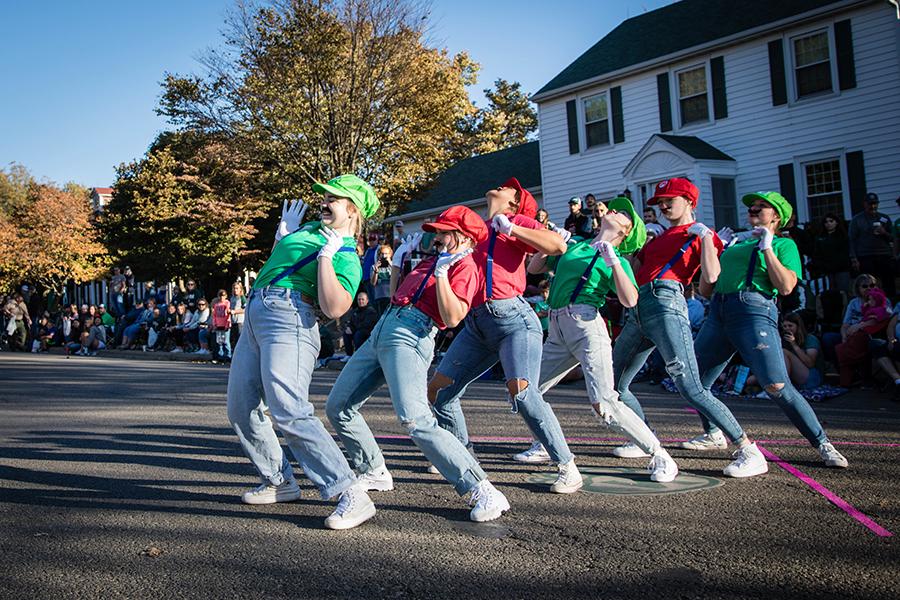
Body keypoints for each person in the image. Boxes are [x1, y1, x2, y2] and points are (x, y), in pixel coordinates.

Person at [327, 206, 515, 522]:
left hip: (411, 334)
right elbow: (398, 291)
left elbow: (453, 316)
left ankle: (482, 489)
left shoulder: (465, 267)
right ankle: (372, 469)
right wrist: (401, 259)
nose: (437, 237)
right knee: (338, 406)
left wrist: (442, 274)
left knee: (416, 419)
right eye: (437, 232)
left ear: (463, 237)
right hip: (383, 328)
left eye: (443, 232)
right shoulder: (434, 259)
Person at [227, 174, 380, 530]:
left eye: (334, 198)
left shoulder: (346, 256)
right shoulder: (307, 230)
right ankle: (279, 481)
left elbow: (335, 307)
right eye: (323, 196)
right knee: (240, 406)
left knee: (289, 409)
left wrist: (327, 257)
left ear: (353, 209)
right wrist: (284, 238)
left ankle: (351, 492)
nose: (323, 202)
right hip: (256, 313)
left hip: (290, 319)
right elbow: (277, 270)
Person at [595, 178, 768, 477]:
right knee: (613, 383)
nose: (662, 206)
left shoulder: (701, 234)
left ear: (689, 201)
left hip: (666, 303)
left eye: (668, 200)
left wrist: (706, 239)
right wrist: (632, 250)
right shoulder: (658, 237)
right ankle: (643, 437)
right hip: (638, 307)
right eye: (659, 202)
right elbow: (634, 275)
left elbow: (710, 278)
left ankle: (748, 450)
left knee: (690, 387)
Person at [428, 177, 583, 494]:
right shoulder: (476, 230)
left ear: (514, 203)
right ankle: (465, 462)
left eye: (508, 188)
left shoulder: (514, 220)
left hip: (513, 319)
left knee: (523, 394)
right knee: (439, 393)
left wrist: (512, 229)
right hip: (476, 323)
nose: (498, 186)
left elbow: (558, 245)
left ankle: (567, 466)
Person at [520, 196, 679, 481]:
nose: (613, 210)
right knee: (525, 392)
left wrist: (614, 262)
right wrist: (551, 242)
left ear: (627, 231)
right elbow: (534, 269)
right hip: (557, 327)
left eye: (622, 213)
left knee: (604, 403)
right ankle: (545, 443)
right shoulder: (577, 245)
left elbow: (629, 300)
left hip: (586, 327)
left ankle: (659, 453)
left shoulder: (618, 260)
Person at [691, 191, 848, 469]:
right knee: (694, 383)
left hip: (753, 310)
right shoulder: (735, 243)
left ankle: (822, 443)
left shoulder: (784, 245)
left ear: (776, 217)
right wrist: (713, 251)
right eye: (752, 207)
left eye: (761, 207)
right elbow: (705, 290)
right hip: (718, 312)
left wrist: (767, 247)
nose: (753, 210)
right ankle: (714, 434)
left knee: (776, 385)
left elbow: (786, 287)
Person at [849, 193, 896, 299]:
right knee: (869, 284)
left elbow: (893, 238)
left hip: (884, 255)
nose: (873, 206)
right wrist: (854, 258)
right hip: (866, 256)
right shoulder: (857, 220)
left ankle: (890, 306)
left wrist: (884, 232)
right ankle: (871, 306)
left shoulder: (884, 218)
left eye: (875, 204)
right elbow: (852, 240)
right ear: (865, 204)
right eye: (870, 204)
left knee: (889, 283)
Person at [809, 213, 851, 294]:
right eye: (826, 222)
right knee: (829, 292)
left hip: (842, 269)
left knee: (843, 292)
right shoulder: (819, 237)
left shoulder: (843, 236)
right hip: (826, 270)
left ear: (836, 222)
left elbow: (845, 252)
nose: (828, 224)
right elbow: (817, 253)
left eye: (831, 221)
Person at [782, 312, 824, 390]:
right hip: (797, 379)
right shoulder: (785, 341)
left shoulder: (810, 339)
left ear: (798, 326)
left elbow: (810, 364)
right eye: (785, 326)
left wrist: (794, 345)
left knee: (784, 352)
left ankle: (783, 388)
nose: (787, 328)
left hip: (812, 378)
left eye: (790, 326)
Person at [341, 291, 378, 356]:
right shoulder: (355, 311)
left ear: (367, 300)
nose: (360, 301)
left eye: (362, 299)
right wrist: (349, 328)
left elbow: (366, 324)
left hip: (367, 332)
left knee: (358, 334)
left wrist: (353, 329)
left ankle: (359, 355)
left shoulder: (371, 311)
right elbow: (351, 322)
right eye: (359, 299)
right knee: (346, 334)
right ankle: (349, 355)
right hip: (356, 330)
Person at [370, 245, 393, 314]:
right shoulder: (374, 266)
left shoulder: (394, 266)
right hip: (380, 296)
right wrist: (376, 271)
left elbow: (399, 278)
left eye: (386, 254)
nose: (384, 256)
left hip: (391, 296)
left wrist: (391, 264)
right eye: (382, 254)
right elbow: (373, 283)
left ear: (390, 255)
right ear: (379, 255)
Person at [211, 290, 232, 360]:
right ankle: (221, 356)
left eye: (223, 295)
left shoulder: (227, 303)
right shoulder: (216, 305)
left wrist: (227, 324)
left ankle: (228, 355)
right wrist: (214, 324)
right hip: (218, 325)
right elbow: (214, 315)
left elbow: (228, 315)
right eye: (220, 295)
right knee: (219, 341)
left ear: (226, 296)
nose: (221, 297)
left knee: (226, 341)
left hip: (225, 325)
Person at [229, 282, 247, 350]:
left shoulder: (242, 298)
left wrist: (235, 311)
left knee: (240, 338)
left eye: (237, 288)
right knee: (234, 339)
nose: (235, 290)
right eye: (234, 288)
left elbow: (245, 309)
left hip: (240, 321)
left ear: (240, 289)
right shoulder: (232, 298)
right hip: (233, 321)